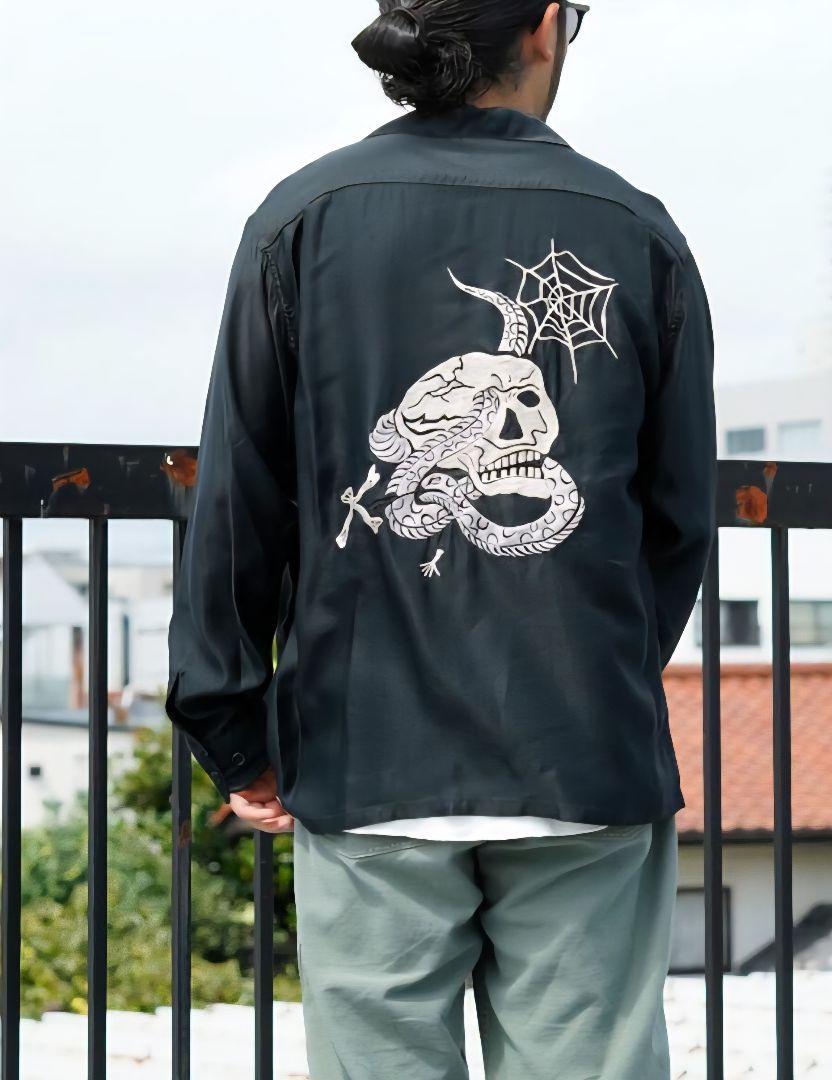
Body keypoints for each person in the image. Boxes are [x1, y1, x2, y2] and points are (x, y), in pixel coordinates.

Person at [165, 1, 716, 1076]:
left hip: (365, 757)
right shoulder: (633, 227)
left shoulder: (301, 219)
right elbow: (676, 515)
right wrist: (595, 671)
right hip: (579, 753)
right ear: (546, 27)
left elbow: (240, 500)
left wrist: (234, 729)